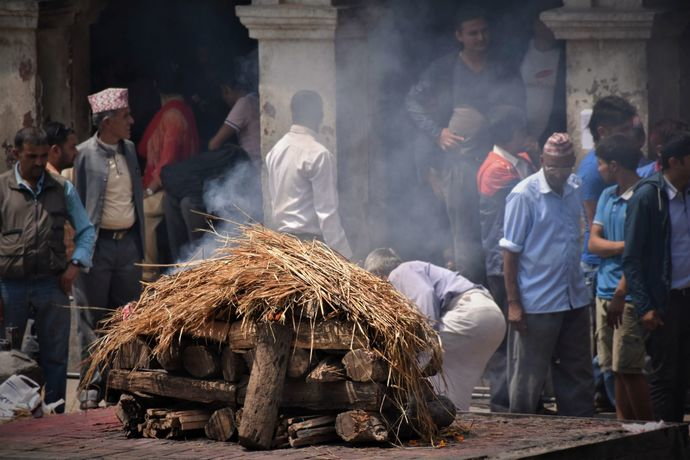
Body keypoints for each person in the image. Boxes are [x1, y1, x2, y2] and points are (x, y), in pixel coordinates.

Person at [405, 5, 524, 281]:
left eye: (484, 32)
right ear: (459, 35)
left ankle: (499, 287)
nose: (480, 38)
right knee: (464, 232)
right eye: (473, 33)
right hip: (459, 166)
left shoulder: (502, 68)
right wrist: (437, 133)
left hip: (498, 163)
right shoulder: (444, 69)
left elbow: (519, 102)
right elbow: (412, 102)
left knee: (501, 228)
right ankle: (469, 289)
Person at [0, 127, 95, 412]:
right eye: (32, 156)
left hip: (51, 285)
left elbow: (86, 231)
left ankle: (56, 412)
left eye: (44, 156)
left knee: (55, 357)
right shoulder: (2, 188)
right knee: (8, 353)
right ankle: (11, 414)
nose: (40, 163)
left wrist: (75, 265)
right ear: (16, 154)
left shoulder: (61, 187)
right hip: (9, 286)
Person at [500, 133, 593, 416]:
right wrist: (514, 303)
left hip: (574, 297)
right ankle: (522, 433)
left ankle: (580, 431)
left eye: (565, 167)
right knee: (528, 376)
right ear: (542, 161)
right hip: (537, 301)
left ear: (572, 165)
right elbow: (510, 253)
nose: (559, 173)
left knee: (577, 370)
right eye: (553, 167)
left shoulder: (575, 187)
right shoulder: (524, 195)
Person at [73, 88, 145, 409]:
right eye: (124, 116)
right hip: (97, 248)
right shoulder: (84, 154)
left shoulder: (129, 150)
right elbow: (77, 205)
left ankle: (120, 382)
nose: (131, 121)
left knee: (126, 315)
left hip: (127, 246)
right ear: (106, 121)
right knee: (93, 319)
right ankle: (91, 384)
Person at [364, 248, 505, 411]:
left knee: (431, 370)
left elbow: (425, 294)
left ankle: (439, 417)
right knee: (456, 380)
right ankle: (457, 415)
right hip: (492, 317)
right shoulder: (417, 269)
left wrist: (423, 340)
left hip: (467, 313)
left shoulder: (400, 272)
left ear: (379, 274)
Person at [623, 131, 690, 423]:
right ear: (675, 162)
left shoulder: (687, 192)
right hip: (664, 301)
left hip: (687, 295)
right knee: (665, 378)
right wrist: (644, 306)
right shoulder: (648, 196)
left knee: (683, 376)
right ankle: (666, 444)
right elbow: (632, 258)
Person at [588, 134, 653, 421]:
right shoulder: (608, 195)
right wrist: (629, 245)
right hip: (604, 289)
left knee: (629, 367)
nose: (597, 169)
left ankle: (649, 430)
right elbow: (594, 244)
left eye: (600, 163)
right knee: (613, 368)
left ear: (614, 165)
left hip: (625, 295)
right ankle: (624, 428)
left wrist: (620, 293)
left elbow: (640, 258)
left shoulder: (644, 195)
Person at [476, 106, 535, 412]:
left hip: (520, 260)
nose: (528, 137)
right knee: (505, 334)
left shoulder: (519, 160)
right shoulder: (495, 169)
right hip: (502, 262)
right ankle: (502, 399)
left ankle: (524, 396)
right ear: (511, 137)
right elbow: (528, 196)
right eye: (523, 132)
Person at [265, 90, 352, 258]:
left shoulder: (275, 151)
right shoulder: (318, 154)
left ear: (293, 114)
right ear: (319, 115)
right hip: (310, 248)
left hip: (282, 247)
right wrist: (343, 256)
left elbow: (273, 201)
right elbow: (327, 213)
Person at [138, 71, 199, 279]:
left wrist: (148, 190)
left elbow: (167, 162)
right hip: (174, 183)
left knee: (143, 211)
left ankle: (149, 274)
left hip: (170, 185)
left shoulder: (173, 115)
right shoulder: (182, 111)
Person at [208, 73, 260, 166]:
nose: (224, 99)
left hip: (252, 165)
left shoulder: (244, 103)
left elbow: (214, 144)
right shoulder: (256, 99)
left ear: (226, 89)